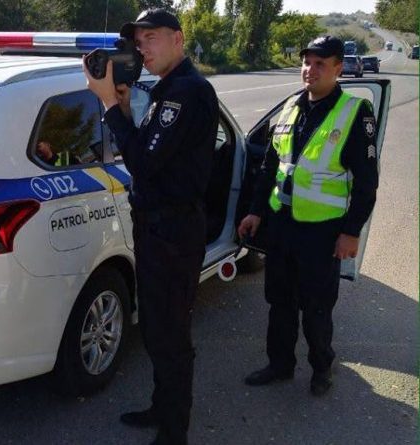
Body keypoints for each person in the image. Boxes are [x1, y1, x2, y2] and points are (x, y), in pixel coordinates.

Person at [84, 9, 219, 445]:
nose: (143, 48)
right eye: (139, 41)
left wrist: (109, 104)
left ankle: (174, 431)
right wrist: (124, 108)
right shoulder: (167, 89)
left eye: (152, 38)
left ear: (178, 39)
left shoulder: (186, 92)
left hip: (174, 233)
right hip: (158, 229)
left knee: (171, 335)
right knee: (158, 330)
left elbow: (142, 163)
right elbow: (148, 151)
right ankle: (162, 408)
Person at [238, 35, 379, 396]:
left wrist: (351, 232)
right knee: (279, 301)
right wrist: (255, 212)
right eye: (306, 62)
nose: (309, 70)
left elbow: (366, 182)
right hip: (281, 225)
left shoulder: (354, 111)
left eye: (320, 64)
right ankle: (280, 364)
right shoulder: (290, 107)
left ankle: (321, 369)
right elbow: (271, 167)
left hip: (322, 231)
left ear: (337, 68)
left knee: (316, 306)